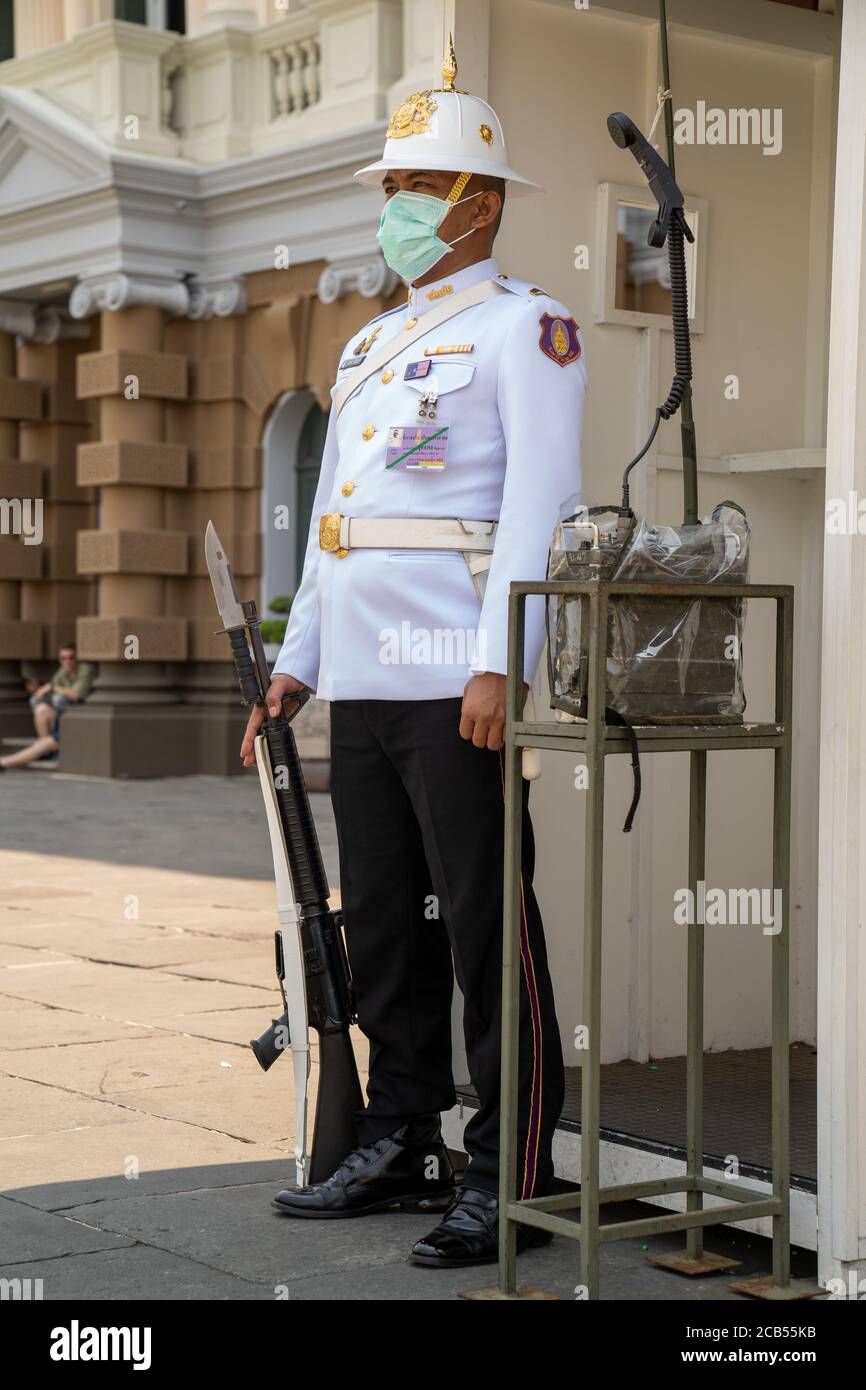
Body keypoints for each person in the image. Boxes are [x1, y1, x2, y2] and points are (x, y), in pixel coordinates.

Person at [240, 38, 587, 1269]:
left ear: (478, 203)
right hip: (370, 679)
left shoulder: (525, 328)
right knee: (384, 919)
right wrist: (299, 663)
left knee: (487, 925)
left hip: (457, 678)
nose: (392, 208)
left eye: (415, 188)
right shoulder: (363, 347)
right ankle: (404, 1139)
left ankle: (513, 1166)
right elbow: (336, 523)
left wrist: (502, 659)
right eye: (388, 187)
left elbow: (542, 506)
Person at [0, 644, 94, 771]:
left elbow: (75, 695)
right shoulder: (63, 671)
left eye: (72, 657)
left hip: (78, 721)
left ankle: (4, 762)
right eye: (64, 658)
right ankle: (41, 751)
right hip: (60, 723)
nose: (68, 661)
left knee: (43, 745)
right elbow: (50, 688)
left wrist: (52, 688)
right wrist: (39, 689)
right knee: (41, 709)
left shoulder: (86, 669)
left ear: (78, 658)